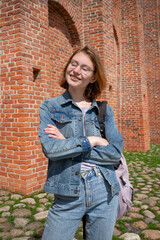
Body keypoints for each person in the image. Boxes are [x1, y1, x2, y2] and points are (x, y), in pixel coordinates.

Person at [38, 46, 123, 240]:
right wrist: (91, 141)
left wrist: (67, 145)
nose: (76, 70)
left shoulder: (103, 110)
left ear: (93, 77)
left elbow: (115, 153)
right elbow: (50, 149)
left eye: (85, 68)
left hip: (105, 190)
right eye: (73, 64)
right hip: (67, 193)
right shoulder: (50, 107)